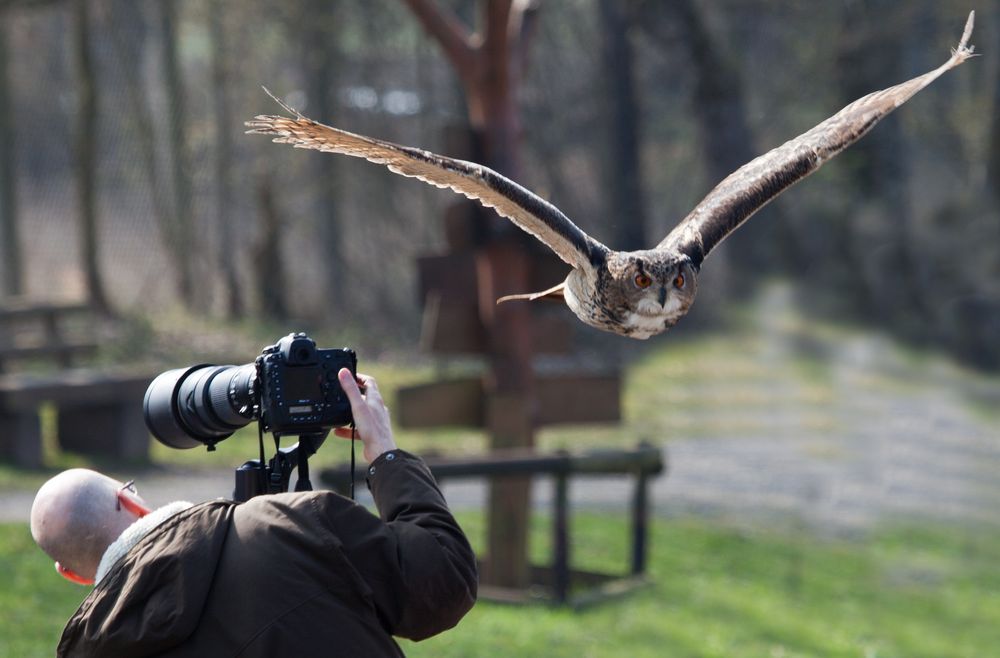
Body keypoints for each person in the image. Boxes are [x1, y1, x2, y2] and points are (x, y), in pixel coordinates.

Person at [30, 368, 478, 657]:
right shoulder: (290, 526)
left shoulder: (90, 650)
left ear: (71, 575)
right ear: (130, 500)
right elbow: (441, 580)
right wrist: (385, 456)